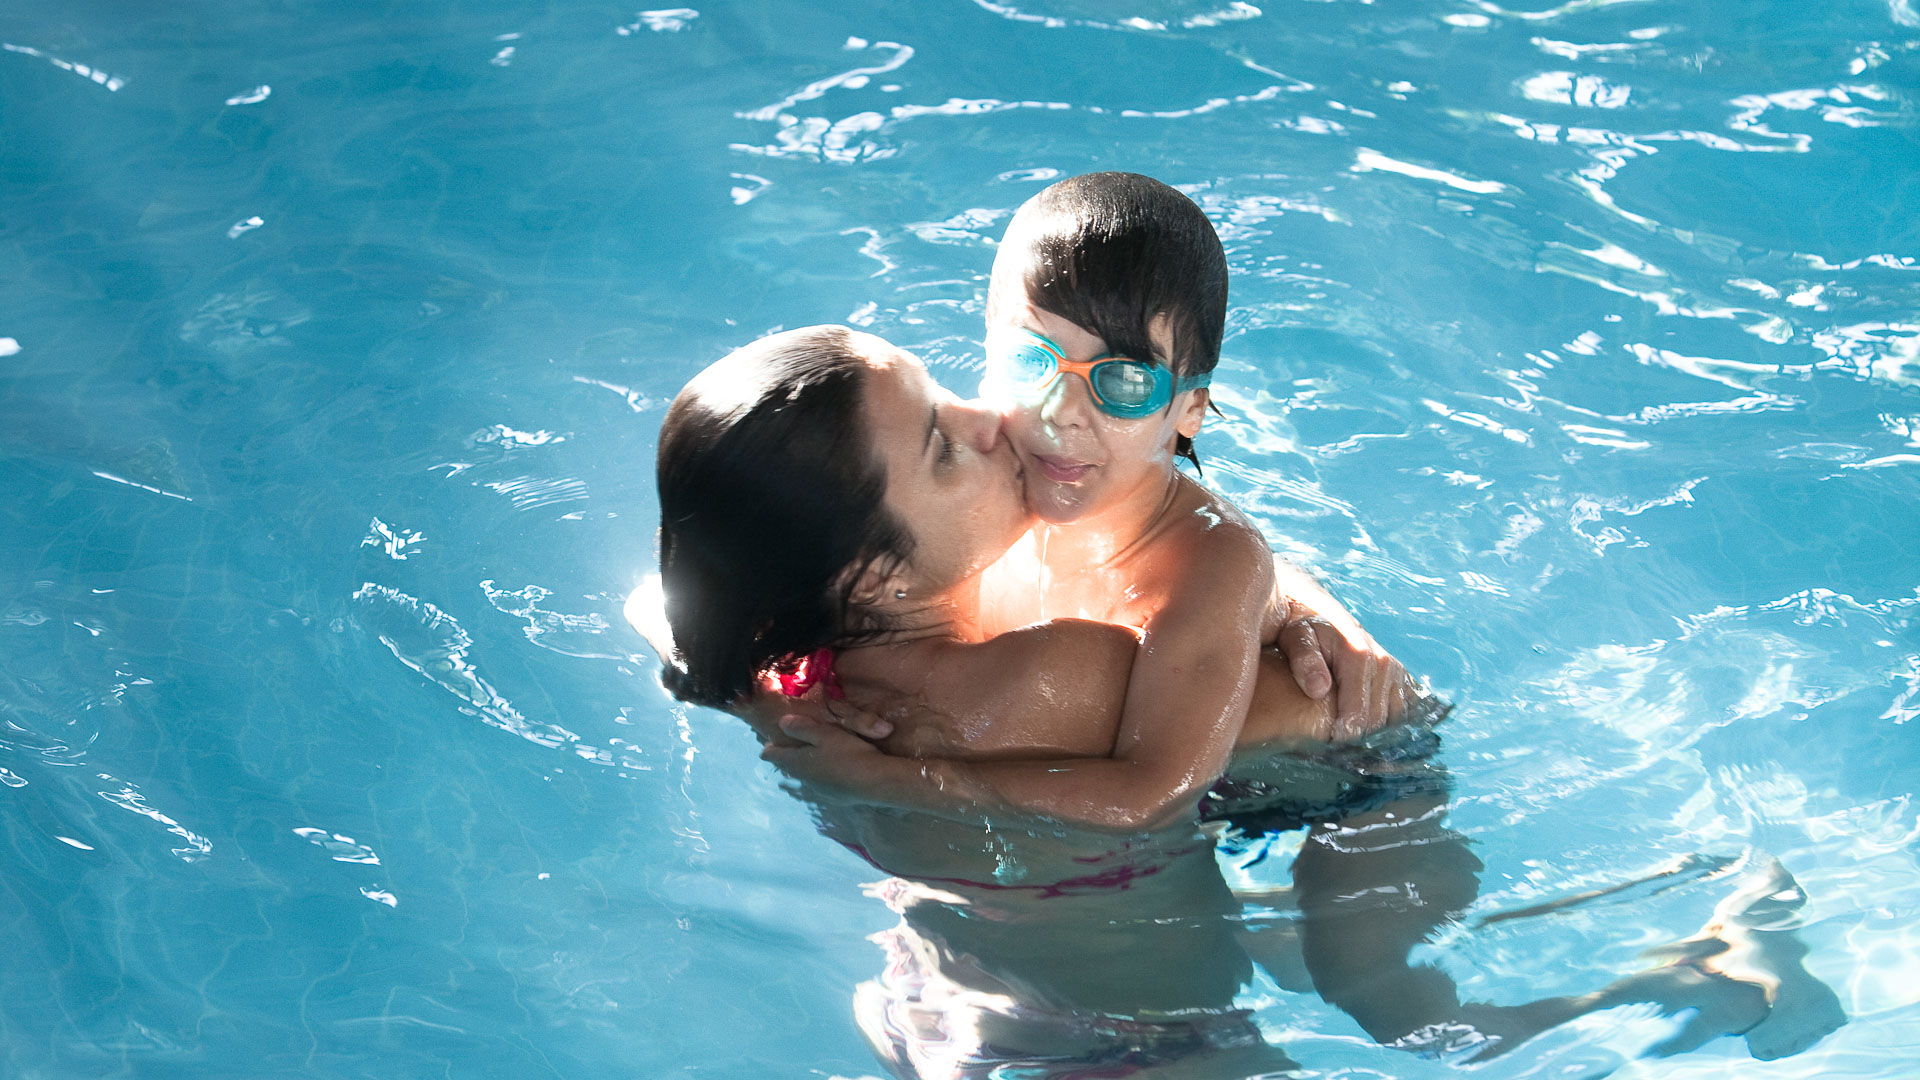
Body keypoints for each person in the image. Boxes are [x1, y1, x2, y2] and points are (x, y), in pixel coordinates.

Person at [646, 326, 1839, 1069]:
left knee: (1377, 991)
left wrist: (1310, 618)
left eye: (941, 391)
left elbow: (1272, 667)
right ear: (870, 577)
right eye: (943, 447)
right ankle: (1706, 969)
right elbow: (1282, 682)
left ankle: (1709, 970)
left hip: (1070, 1007)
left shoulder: (789, 669)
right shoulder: (1017, 677)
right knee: (1383, 1003)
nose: (990, 420)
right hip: (1099, 1018)